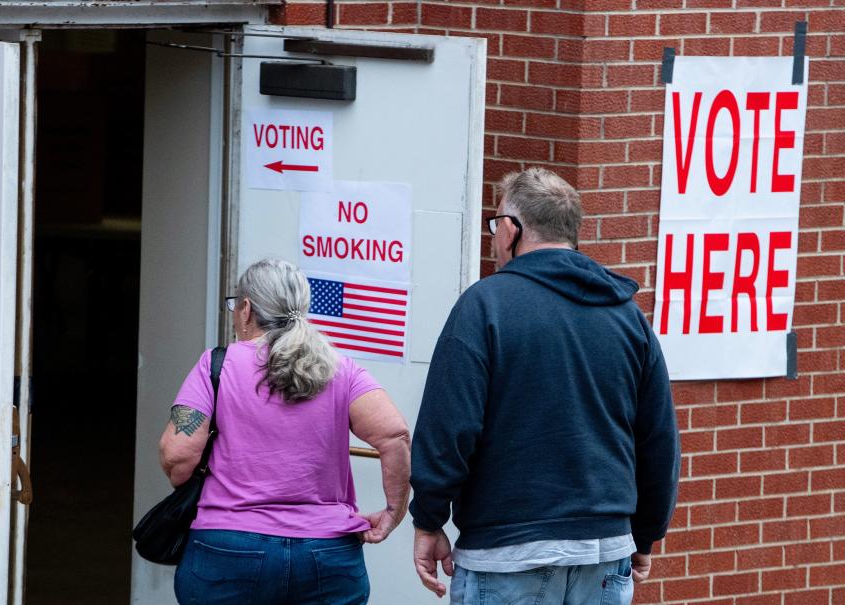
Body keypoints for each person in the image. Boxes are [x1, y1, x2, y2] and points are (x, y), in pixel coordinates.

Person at [409, 168, 680, 604]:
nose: (495, 238)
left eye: (497, 225)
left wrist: (428, 519)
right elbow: (659, 442)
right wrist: (645, 536)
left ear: (514, 231)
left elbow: (449, 429)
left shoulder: (485, 306)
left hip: (506, 553)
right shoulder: (628, 318)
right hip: (604, 552)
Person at [159, 258, 411, 605]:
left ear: (245, 309)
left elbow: (178, 456)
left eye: (236, 305)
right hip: (327, 555)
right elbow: (395, 436)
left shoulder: (216, 365)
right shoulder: (340, 368)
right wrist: (393, 511)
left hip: (229, 550)